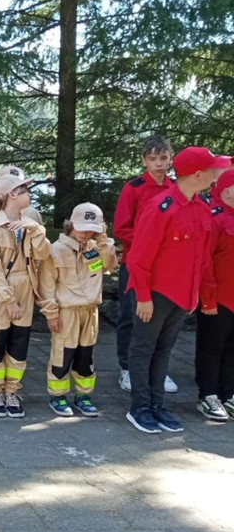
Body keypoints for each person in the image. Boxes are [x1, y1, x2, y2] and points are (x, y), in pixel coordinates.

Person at [125, 147, 229, 433]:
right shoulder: (162, 207)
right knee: (143, 349)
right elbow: (139, 256)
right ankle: (140, 407)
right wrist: (143, 296)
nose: (216, 176)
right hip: (156, 294)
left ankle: (158, 405)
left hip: (182, 296)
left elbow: (203, 259)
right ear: (197, 175)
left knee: (164, 350)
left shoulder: (201, 207)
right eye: (212, 170)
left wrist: (199, 294)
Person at [0, 169, 50, 418]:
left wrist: (35, 229)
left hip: (25, 288)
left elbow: (43, 254)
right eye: (24, 190)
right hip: (0, 293)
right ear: (12, 194)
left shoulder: (30, 225)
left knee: (19, 345)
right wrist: (9, 299)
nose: (29, 193)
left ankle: (12, 391)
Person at [37, 203, 117, 417]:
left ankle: (83, 395)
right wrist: (51, 313)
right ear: (71, 224)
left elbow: (110, 266)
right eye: (83, 228)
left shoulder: (95, 248)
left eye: (93, 229)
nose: (87, 233)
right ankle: (58, 395)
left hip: (90, 311)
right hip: (66, 312)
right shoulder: (55, 250)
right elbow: (46, 285)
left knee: (85, 356)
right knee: (62, 354)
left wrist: (103, 240)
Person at [113, 136, 177, 393]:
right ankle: (127, 367)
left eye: (163, 158)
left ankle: (158, 368)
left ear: (171, 157)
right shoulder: (135, 188)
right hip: (136, 262)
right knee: (130, 316)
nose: (158, 164)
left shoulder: (176, 188)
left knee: (164, 317)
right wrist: (148, 244)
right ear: (144, 160)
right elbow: (121, 228)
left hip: (168, 265)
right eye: (153, 159)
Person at [197, 168, 234, 421]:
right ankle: (208, 395)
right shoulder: (215, 217)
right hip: (217, 297)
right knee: (212, 348)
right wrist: (207, 297)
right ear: (223, 191)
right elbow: (204, 261)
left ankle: (228, 393)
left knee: (232, 348)